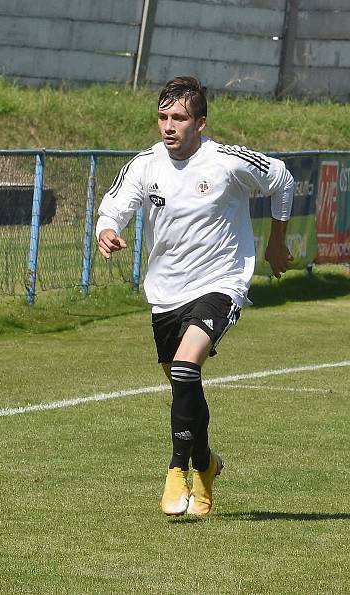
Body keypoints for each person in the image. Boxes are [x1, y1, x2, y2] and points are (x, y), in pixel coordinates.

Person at [95, 76, 294, 517]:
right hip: (166, 293)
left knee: (186, 366)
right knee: (182, 381)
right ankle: (207, 464)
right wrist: (108, 231)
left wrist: (276, 242)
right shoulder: (145, 165)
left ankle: (176, 472)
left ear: (200, 123)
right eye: (163, 117)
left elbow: (282, 179)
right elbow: (113, 207)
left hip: (220, 283)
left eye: (179, 118)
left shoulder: (226, 162)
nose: (169, 126)